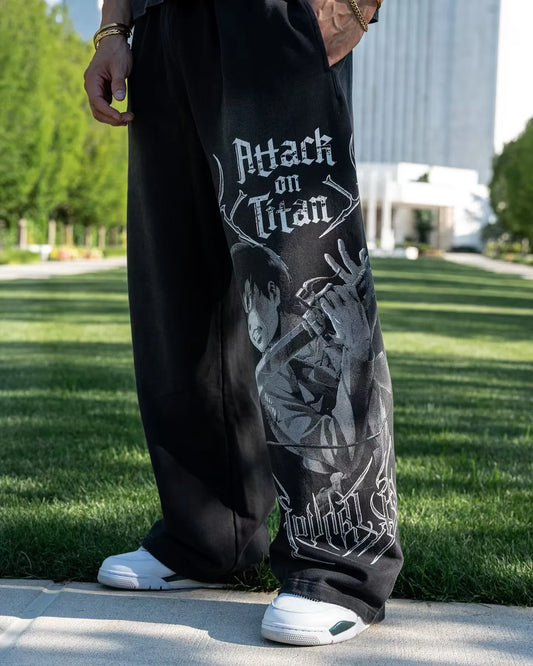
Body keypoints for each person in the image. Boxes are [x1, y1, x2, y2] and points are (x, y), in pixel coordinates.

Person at [84, 0, 403, 646]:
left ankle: (339, 559)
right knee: (177, 296)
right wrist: (114, 28)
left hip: (271, 13)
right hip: (161, 24)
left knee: (308, 279)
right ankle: (208, 535)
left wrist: (358, 6)